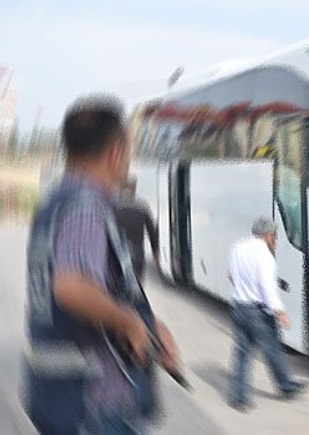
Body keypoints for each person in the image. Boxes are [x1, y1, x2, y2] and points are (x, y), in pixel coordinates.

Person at [21, 94, 181, 434]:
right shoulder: (86, 207)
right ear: (116, 152)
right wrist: (130, 324)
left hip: (55, 392)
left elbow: (100, 285)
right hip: (93, 404)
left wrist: (150, 325)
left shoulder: (54, 200)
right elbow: (72, 286)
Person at [227, 217, 307, 412]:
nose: (276, 241)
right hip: (258, 311)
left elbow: (230, 274)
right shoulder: (264, 255)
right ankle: (286, 386)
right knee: (272, 349)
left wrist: (243, 290)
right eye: (275, 237)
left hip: (239, 306)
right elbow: (267, 287)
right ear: (268, 235)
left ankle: (239, 397)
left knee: (242, 353)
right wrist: (280, 312)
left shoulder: (238, 247)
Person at [114, 176, 160, 283]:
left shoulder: (113, 206)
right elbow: (152, 231)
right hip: (137, 254)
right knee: (137, 285)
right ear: (134, 188)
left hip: (117, 253)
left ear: (120, 188)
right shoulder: (143, 207)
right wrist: (155, 252)